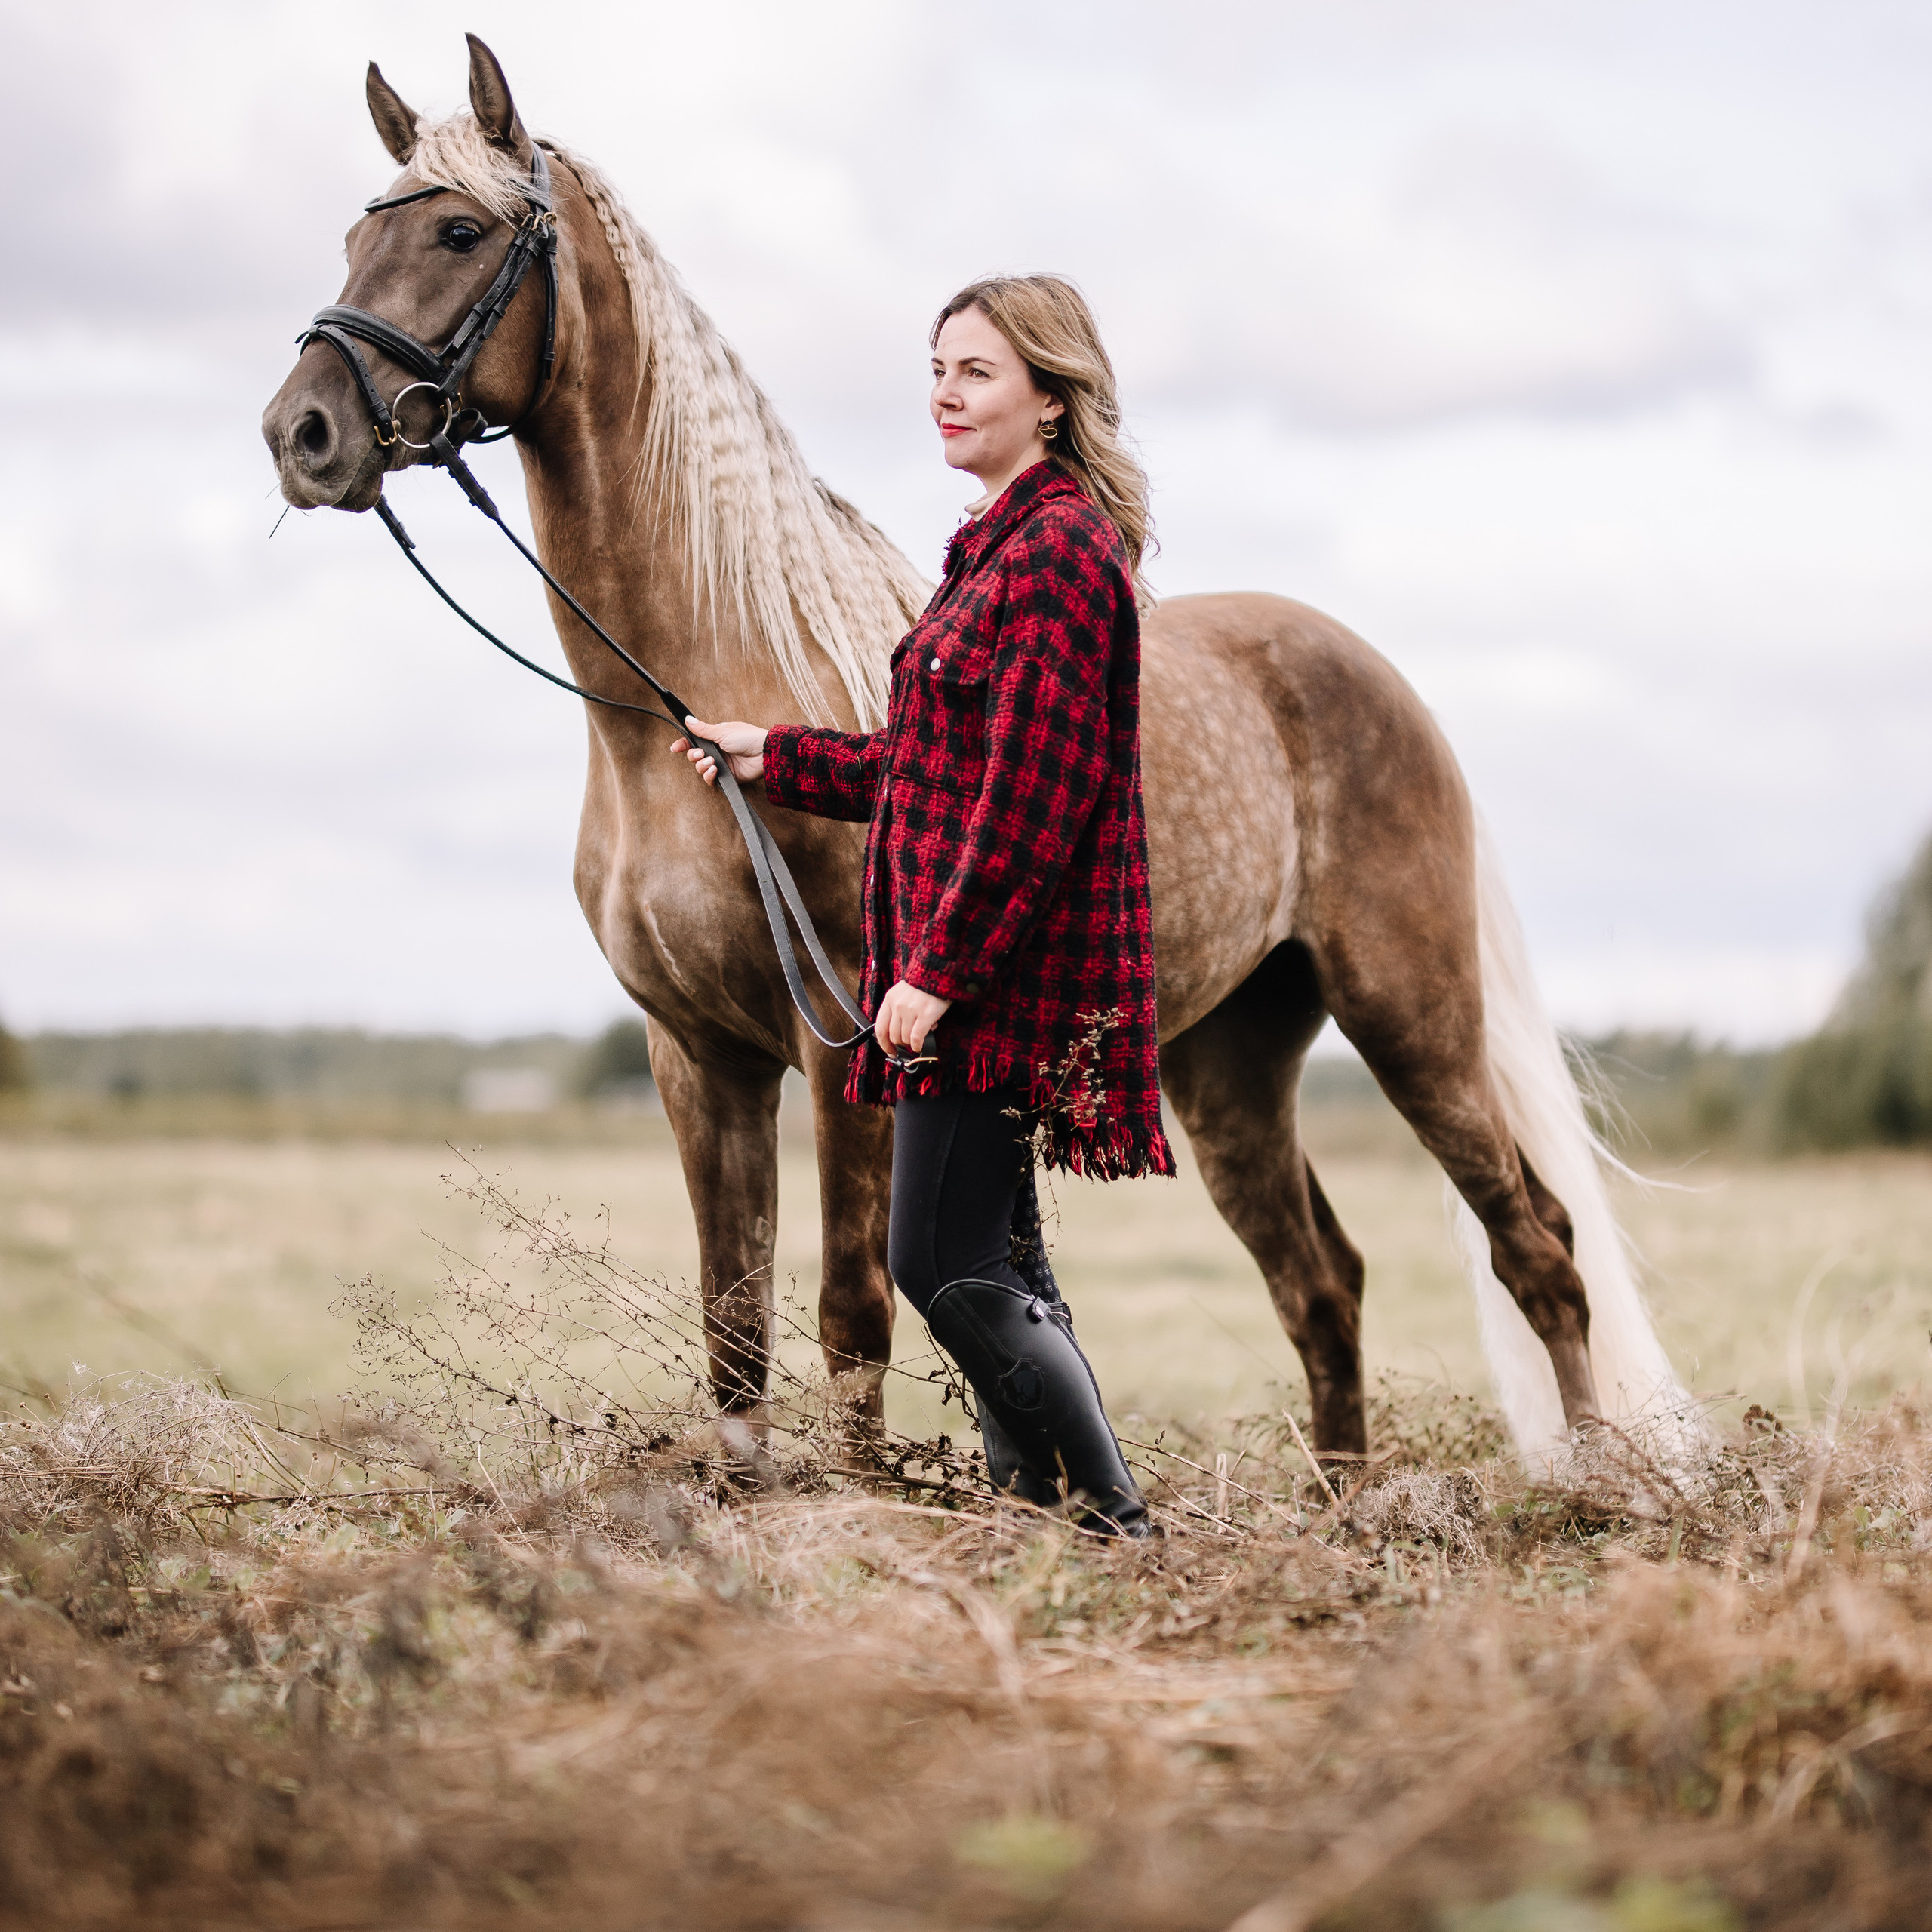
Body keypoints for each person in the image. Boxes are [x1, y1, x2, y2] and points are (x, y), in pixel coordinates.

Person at [674, 275, 1172, 1536]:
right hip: (979, 966)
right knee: (998, 1264)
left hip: (999, 979)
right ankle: (1042, 1519)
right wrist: (771, 755)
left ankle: (1111, 1524)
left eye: (978, 372)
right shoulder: (992, 546)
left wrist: (938, 971)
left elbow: (1033, 795)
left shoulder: (1057, 556)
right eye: (938, 369)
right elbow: (929, 768)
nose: (946, 394)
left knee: (936, 1265)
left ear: (1051, 400)